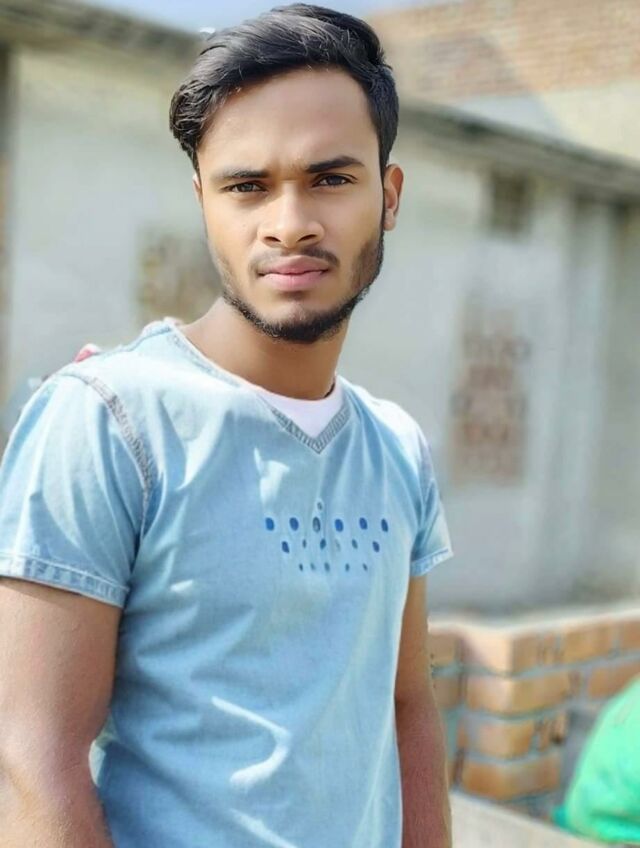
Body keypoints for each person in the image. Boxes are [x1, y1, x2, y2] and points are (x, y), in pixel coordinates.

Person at [0, 5, 454, 847]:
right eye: (247, 186)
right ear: (204, 201)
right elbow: (32, 757)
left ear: (388, 196)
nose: (290, 223)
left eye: (331, 178)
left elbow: (407, 706)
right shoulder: (107, 419)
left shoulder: (397, 448)